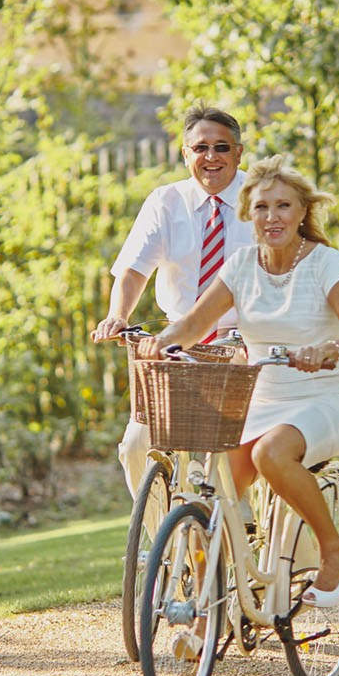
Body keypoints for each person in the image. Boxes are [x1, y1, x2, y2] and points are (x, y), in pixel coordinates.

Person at [152, 157, 339, 603]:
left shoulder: (324, 262)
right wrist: (160, 342)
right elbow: (193, 325)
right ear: (248, 215)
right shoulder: (240, 265)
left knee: (273, 454)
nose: (272, 217)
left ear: (302, 213)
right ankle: (203, 611)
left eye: (283, 206)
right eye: (261, 208)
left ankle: (335, 553)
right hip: (262, 399)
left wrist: (327, 350)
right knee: (213, 491)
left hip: (326, 395)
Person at [92, 104, 253, 493]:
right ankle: (163, 543)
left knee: (239, 454)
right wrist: (118, 315)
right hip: (180, 347)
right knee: (135, 446)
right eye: (200, 148)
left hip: (247, 344)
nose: (211, 157)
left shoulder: (261, 200)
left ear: (238, 153)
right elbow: (133, 269)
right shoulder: (165, 202)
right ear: (185, 155)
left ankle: (244, 525)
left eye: (222, 148)